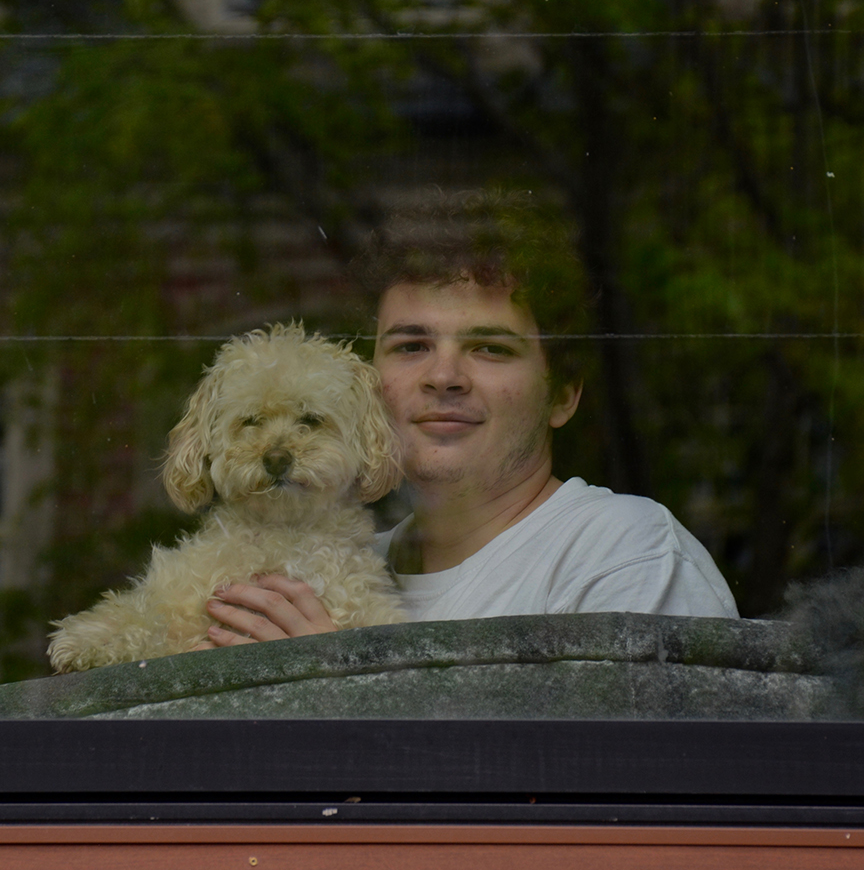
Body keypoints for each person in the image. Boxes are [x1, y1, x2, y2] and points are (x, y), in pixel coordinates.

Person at [200, 192, 739, 648]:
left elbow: (637, 771)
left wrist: (338, 690)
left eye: (489, 348)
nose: (444, 376)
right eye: (411, 346)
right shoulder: (334, 571)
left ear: (564, 396)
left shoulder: (622, 555)